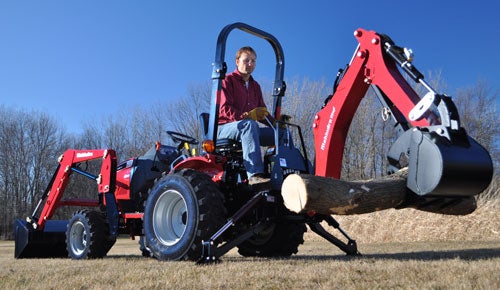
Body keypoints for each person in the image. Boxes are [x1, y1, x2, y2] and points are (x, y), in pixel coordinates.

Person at [217, 46, 275, 188]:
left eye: (253, 61)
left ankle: (285, 174)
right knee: (249, 125)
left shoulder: (256, 86)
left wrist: (278, 124)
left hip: (248, 128)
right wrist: (247, 116)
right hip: (224, 128)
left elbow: (262, 113)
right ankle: (254, 175)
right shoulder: (227, 81)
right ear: (237, 61)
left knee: (280, 134)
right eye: (246, 60)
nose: (250, 64)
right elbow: (224, 109)